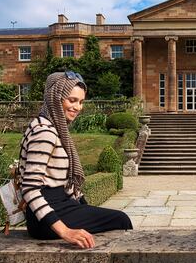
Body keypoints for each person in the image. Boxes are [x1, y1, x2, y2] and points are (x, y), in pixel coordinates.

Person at [19, 71, 132, 246]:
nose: (78, 107)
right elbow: (30, 188)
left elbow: (66, 186)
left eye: (80, 102)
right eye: (72, 100)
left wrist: (86, 208)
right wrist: (65, 232)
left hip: (61, 205)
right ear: (55, 98)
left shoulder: (52, 127)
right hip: (48, 217)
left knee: (113, 218)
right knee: (121, 220)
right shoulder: (44, 132)